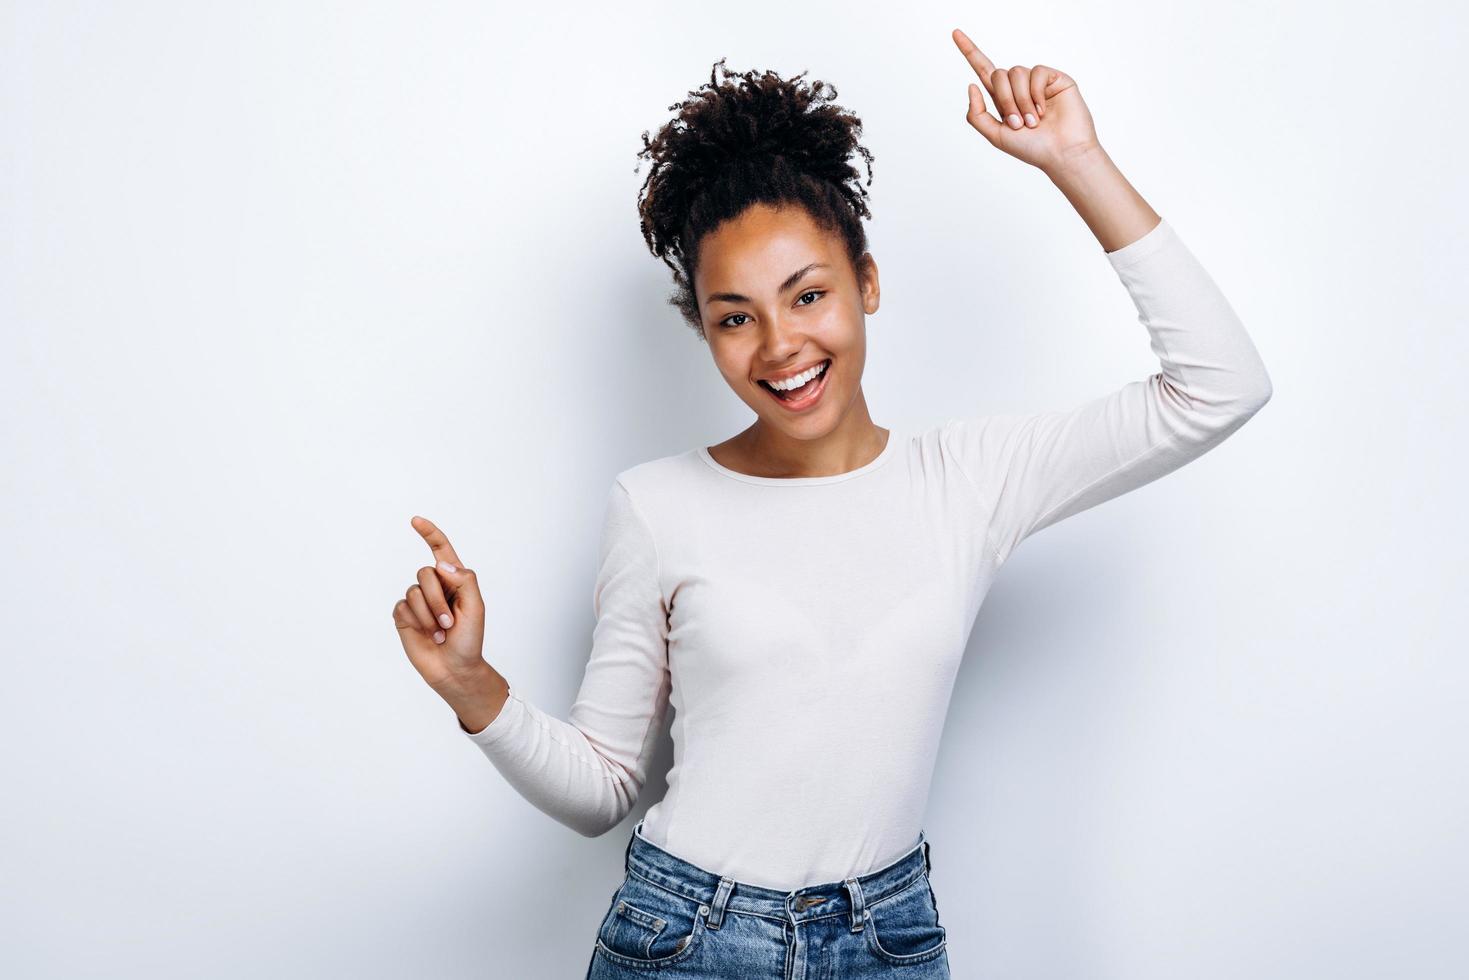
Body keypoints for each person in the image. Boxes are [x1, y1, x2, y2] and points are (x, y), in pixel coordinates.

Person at [391, 32, 1272, 979]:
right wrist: (469, 685)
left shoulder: (968, 480)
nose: (778, 346)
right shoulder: (656, 505)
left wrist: (1075, 160)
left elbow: (1219, 386)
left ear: (867, 282)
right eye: (735, 316)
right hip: (683, 939)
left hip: (887, 940)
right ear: (704, 330)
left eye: (806, 294)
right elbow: (602, 789)